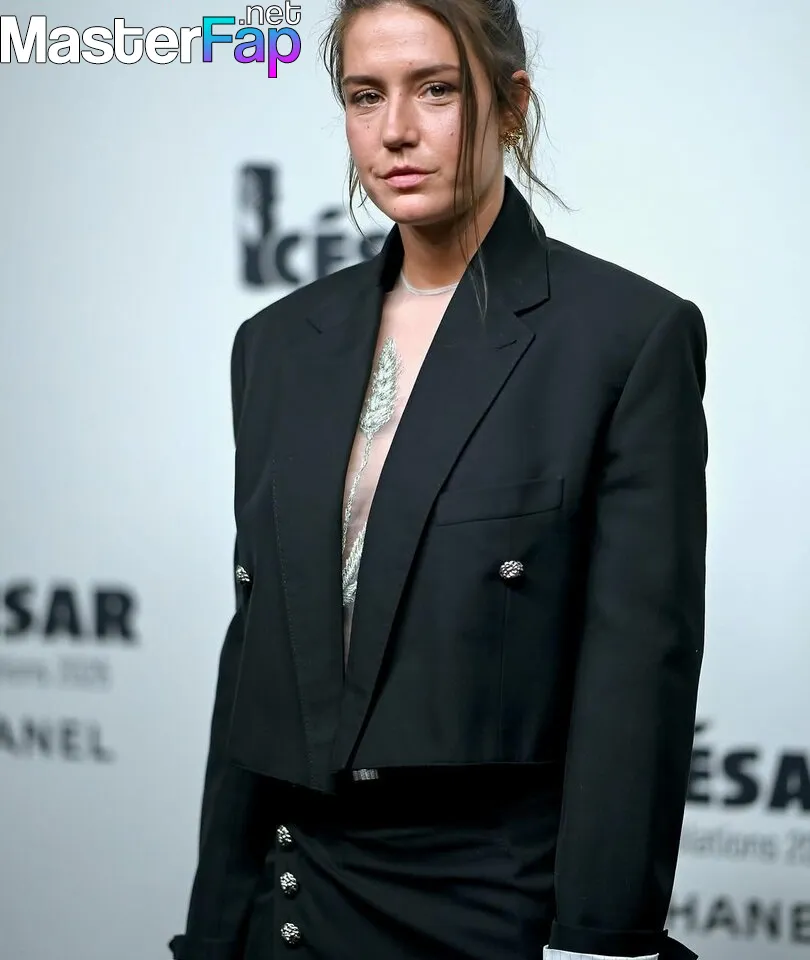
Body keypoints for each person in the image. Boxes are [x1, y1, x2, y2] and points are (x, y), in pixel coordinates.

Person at [168, 1, 708, 958]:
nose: (396, 130)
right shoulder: (278, 345)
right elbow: (256, 660)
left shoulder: (624, 340)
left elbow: (636, 678)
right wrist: (210, 932)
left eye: (436, 89)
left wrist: (601, 941)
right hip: (288, 901)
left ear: (512, 105)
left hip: (487, 910)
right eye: (364, 95)